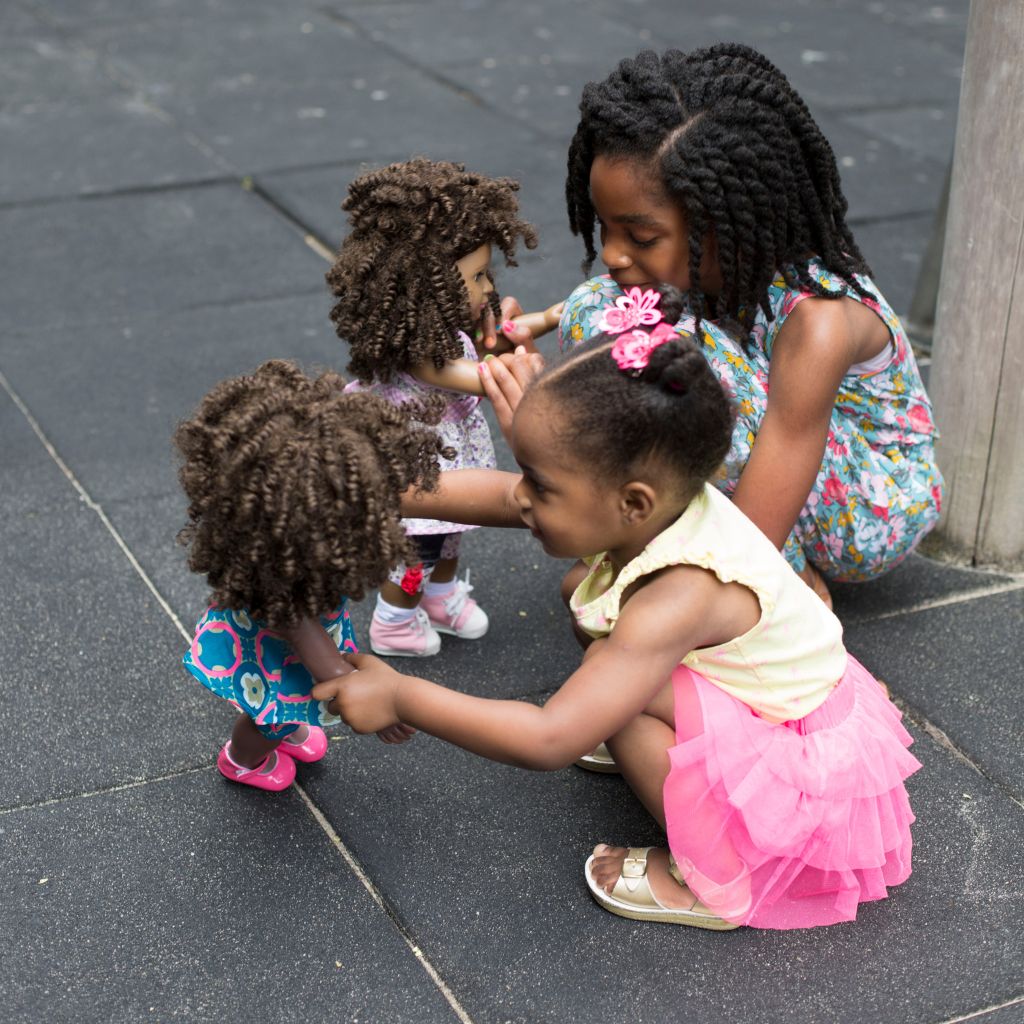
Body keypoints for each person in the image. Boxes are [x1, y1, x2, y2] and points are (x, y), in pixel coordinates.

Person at [313, 289, 922, 930]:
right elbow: (498, 498)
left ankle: (715, 879)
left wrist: (402, 696)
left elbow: (549, 738)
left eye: (540, 485)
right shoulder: (660, 504)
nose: (522, 498)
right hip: (791, 704)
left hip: (804, 789)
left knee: (619, 700)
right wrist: (375, 490)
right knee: (603, 644)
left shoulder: (677, 595)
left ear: (631, 502)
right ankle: (674, 754)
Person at [553, 44, 943, 608]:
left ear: (720, 226)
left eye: (639, 238)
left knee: (671, 360)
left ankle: (789, 588)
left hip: (875, 503)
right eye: (604, 227)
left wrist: (703, 593)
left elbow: (783, 447)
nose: (613, 253)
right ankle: (672, 541)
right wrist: (548, 318)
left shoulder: (818, 322)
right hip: (795, 453)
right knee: (600, 311)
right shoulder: (713, 269)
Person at [327, 158, 562, 657]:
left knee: (452, 535)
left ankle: (440, 596)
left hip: (448, 454)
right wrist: (517, 368)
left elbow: (498, 338)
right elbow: (477, 376)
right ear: (425, 282)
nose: (487, 289)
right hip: (418, 464)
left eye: (485, 275)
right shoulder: (420, 349)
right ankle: (394, 621)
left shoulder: (451, 325)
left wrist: (548, 319)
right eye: (476, 278)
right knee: (418, 548)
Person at [176, 360, 442, 791]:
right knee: (269, 718)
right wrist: (376, 703)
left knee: (279, 708)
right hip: (277, 653)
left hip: (273, 644)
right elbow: (329, 669)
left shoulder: (272, 551)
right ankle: (242, 759)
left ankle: (281, 725)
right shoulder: (285, 596)